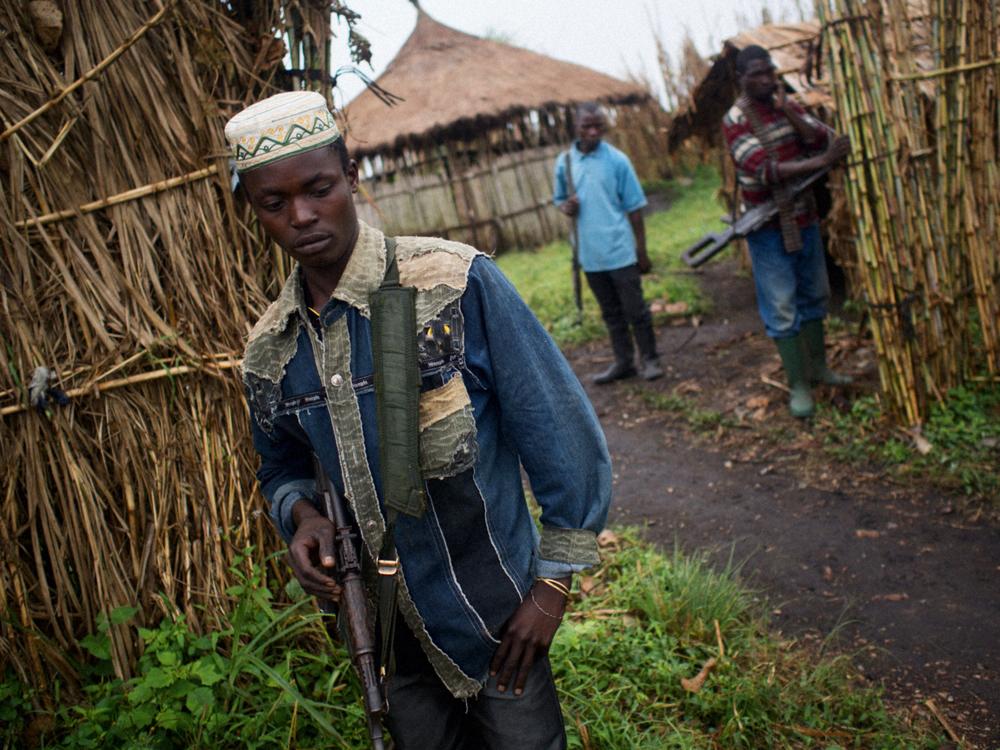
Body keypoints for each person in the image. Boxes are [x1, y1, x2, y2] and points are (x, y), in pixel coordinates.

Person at [225, 91, 611, 750]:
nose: (302, 215)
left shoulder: (452, 284)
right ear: (254, 212)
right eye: (274, 203)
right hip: (389, 644)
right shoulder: (271, 353)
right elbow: (280, 468)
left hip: (500, 624)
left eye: (318, 188)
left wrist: (552, 585)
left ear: (351, 177)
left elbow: (560, 435)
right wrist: (303, 517)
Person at [723, 45, 853, 418]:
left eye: (770, 72)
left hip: (803, 218)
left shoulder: (786, 104)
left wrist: (789, 113)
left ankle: (819, 369)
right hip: (767, 227)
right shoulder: (735, 118)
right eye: (757, 75)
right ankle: (798, 385)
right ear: (742, 79)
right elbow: (765, 170)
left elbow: (819, 138)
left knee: (815, 294)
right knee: (781, 306)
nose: (766, 80)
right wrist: (822, 162)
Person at [553, 102, 664, 384]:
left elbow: (635, 209)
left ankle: (650, 359)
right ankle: (624, 362)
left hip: (620, 250)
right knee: (611, 314)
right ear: (575, 127)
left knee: (636, 310)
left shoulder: (617, 160)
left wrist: (641, 251)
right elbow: (559, 200)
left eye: (598, 126)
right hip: (589, 255)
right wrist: (567, 206)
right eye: (586, 126)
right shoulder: (565, 163)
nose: (593, 131)